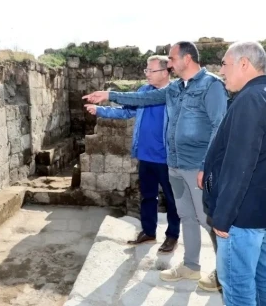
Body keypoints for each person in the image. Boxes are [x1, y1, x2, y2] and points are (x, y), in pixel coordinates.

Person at [82, 41, 228, 292]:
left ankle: (225, 275)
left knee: (208, 220)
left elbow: (220, 127)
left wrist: (207, 165)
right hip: (175, 165)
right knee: (187, 217)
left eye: (172, 59)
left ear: (187, 59)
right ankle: (191, 266)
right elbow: (143, 97)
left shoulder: (211, 85)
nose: (170, 64)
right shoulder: (175, 89)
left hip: (197, 167)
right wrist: (110, 95)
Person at [202, 41, 266, 306]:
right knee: (262, 271)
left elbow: (239, 165)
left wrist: (223, 217)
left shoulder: (251, 99)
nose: (221, 71)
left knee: (237, 285)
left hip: (241, 214)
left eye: (224, 64)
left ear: (244, 64)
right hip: (261, 209)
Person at [84, 55, 180, 254]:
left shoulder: (175, 93)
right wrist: (100, 110)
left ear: (164, 72)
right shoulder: (144, 91)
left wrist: (109, 95)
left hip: (167, 158)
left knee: (172, 200)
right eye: (146, 70)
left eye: (150, 71)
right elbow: (126, 112)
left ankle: (172, 236)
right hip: (145, 156)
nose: (146, 74)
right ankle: (148, 231)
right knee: (148, 196)